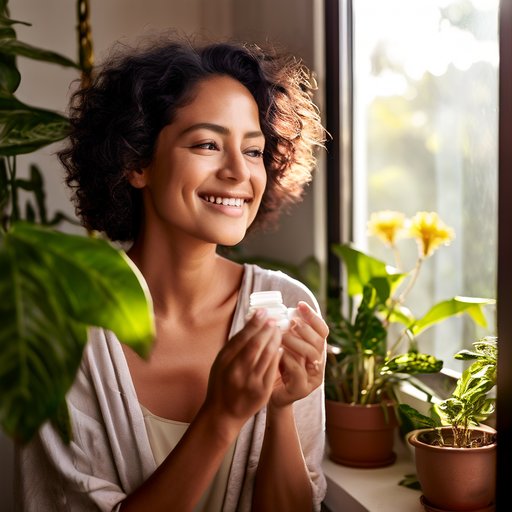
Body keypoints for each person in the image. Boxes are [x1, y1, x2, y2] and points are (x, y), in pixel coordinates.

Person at [17, 34, 329, 512]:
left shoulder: (285, 303)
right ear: (136, 161)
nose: (238, 173)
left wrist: (281, 406)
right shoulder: (63, 321)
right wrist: (220, 417)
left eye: (252, 150)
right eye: (207, 143)